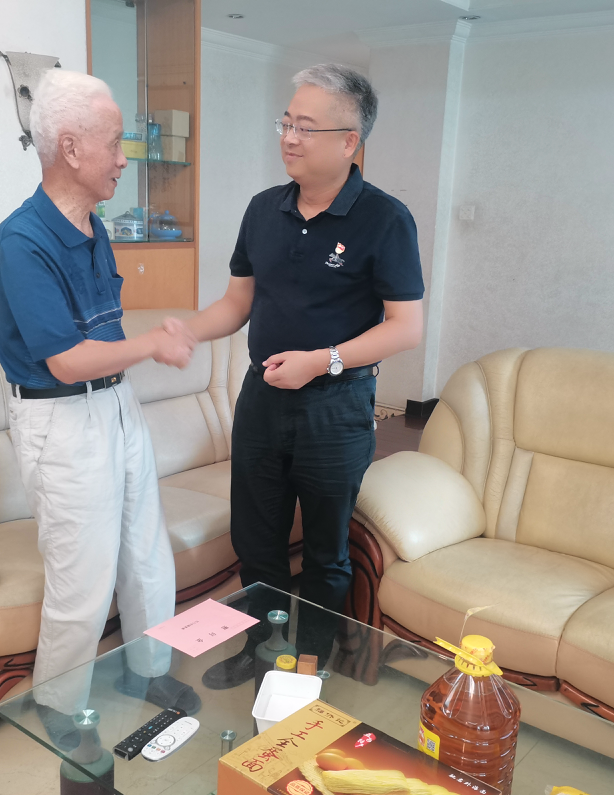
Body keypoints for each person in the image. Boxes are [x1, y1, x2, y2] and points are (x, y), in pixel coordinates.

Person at [169, 65, 425, 690]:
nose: (289, 137)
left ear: (349, 141)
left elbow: (405, 326)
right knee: (255, 540)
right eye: (286, 122)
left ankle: (307, 663)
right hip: (262, 400)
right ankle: (259, 648)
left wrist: (323, 359)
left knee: (325, 550)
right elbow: (238, 303)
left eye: (306, 127)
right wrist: (186, 331)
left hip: (336, 404)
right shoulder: (264, 209)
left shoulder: (385, 218)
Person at [0, 69, 200, 728]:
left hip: (115, 404)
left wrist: (136, 356)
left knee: (146, 552)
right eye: (114, 143)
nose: (123, 158)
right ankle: (59, 706)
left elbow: (99, 339)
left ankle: (149, 671)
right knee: (82, 576)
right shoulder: (22, 241)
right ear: (72, 148)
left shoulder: (93, 226)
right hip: (59, 417)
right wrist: (152, 344)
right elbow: (66, 359)